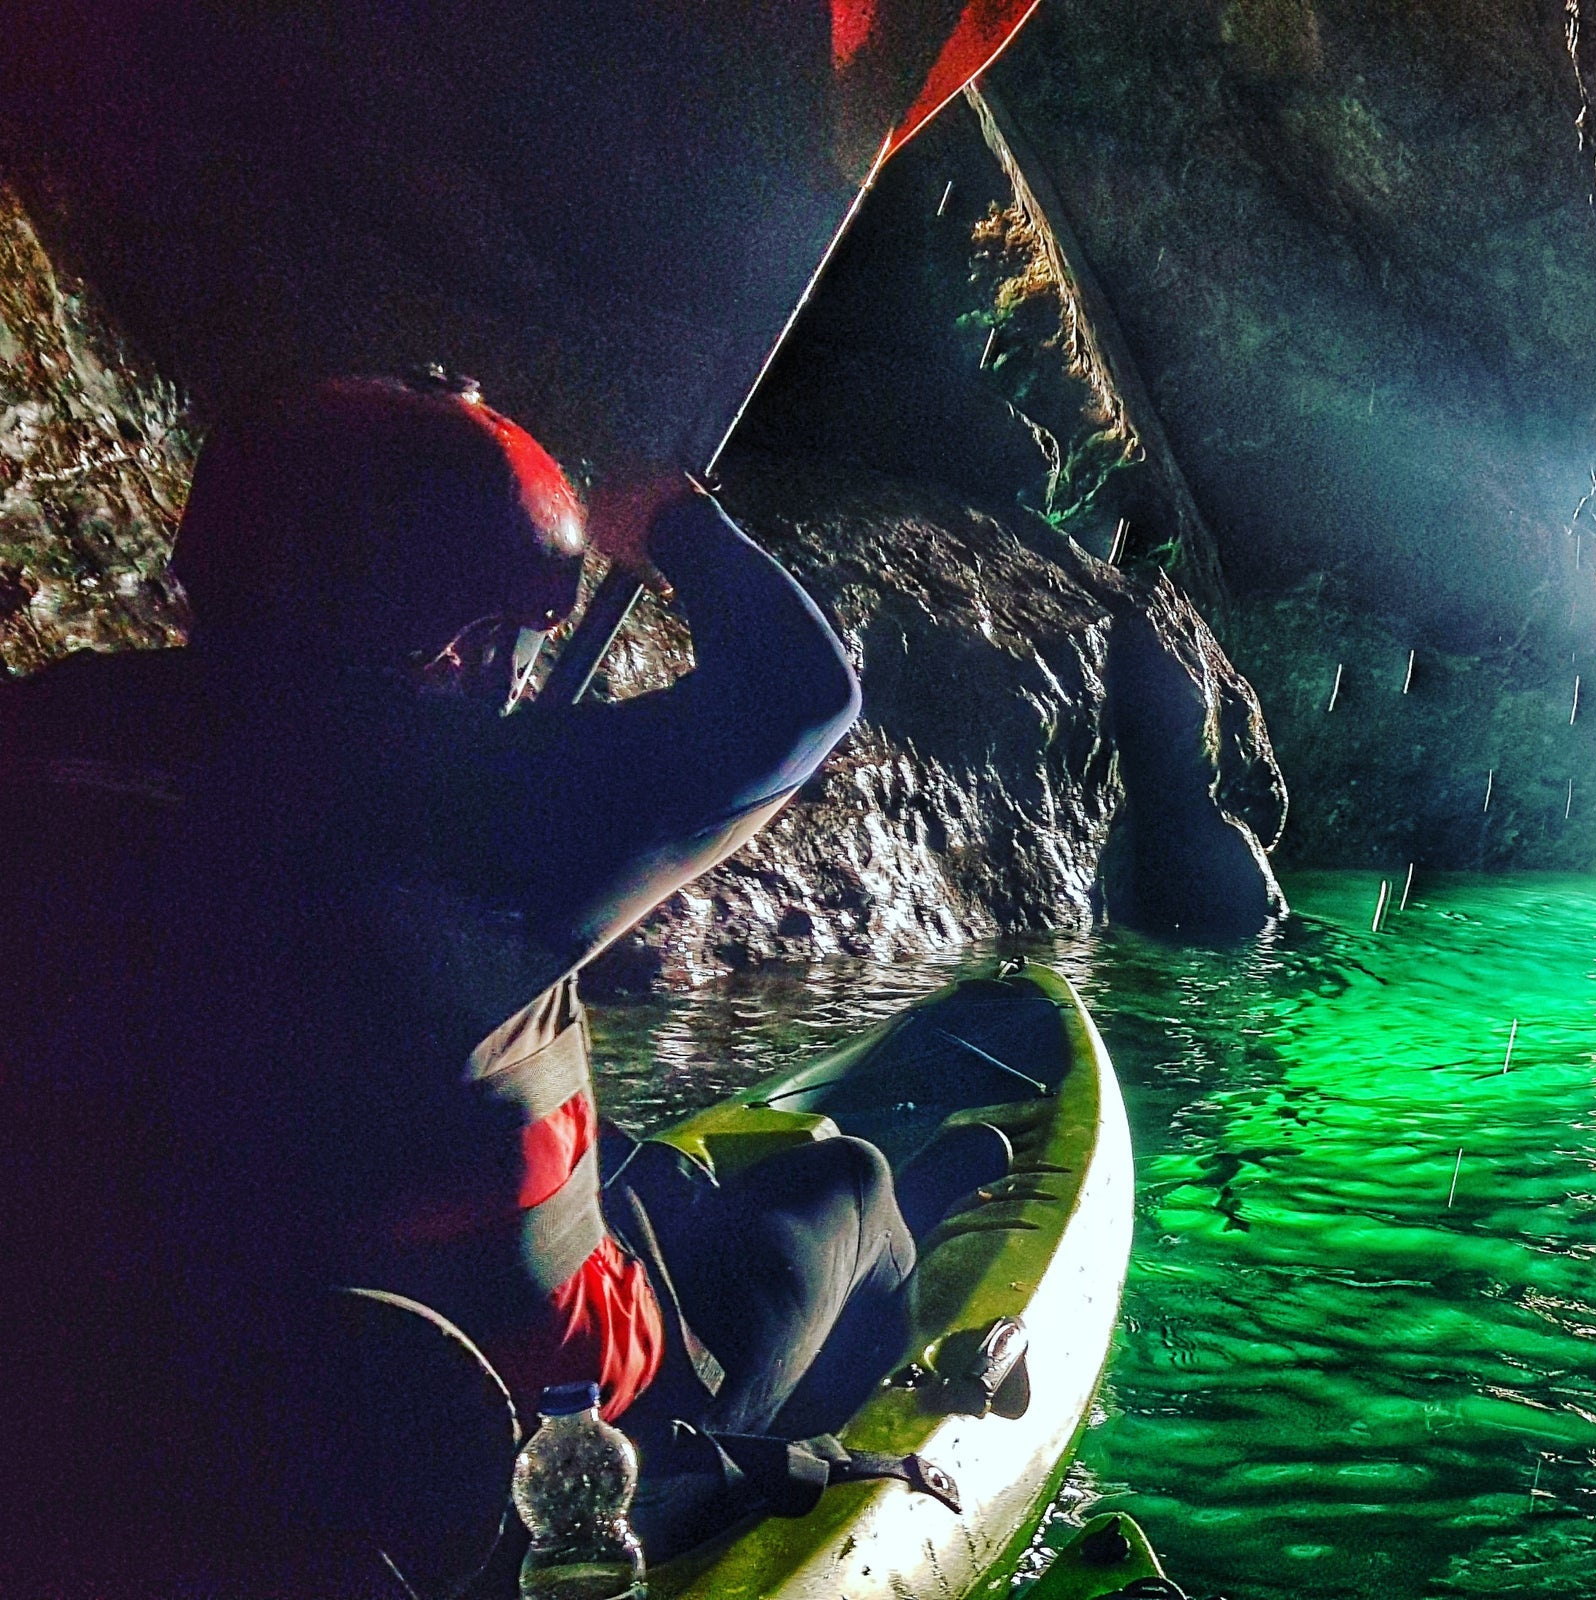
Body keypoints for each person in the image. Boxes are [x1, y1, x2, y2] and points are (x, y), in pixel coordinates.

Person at [0, 372, 993, 1590]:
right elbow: (805, 696)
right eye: (518, 639)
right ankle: (778, 1483)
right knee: (853, 1186)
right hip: (485, 1466)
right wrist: (669, 520)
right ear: (465, 647)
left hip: (116, 1417)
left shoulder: (47, 727)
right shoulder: (489, 808)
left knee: (604, 1164)